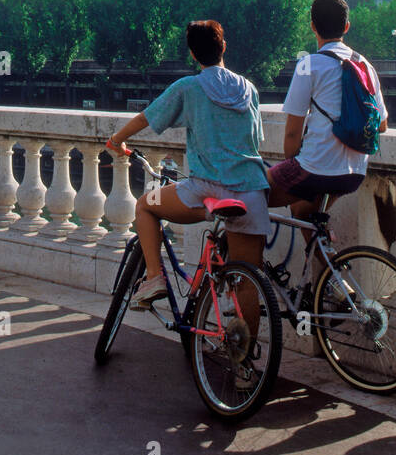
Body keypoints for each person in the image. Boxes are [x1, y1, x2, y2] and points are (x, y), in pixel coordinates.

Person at [105, 19, 271, 309]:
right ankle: (243, 351)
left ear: (192, 54)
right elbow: (256, 140)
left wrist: (117, 140)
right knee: (248, 285)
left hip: (205, 190)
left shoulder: (189, 87)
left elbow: (148, 116)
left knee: (145, 204)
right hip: (251, 192)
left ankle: (155, 277)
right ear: (224, 47)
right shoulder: (249, 89)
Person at [266, 0, 388, 225]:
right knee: (304, 213)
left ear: (313, 27)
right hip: (353, 174)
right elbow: (381, 123)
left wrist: (293, 169)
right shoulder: (365, 66)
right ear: (347, 26)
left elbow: (292, 133)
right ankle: (325, 259)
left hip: (314, 168)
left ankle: (246, 261)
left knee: (249, 195)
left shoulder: (308, 65)